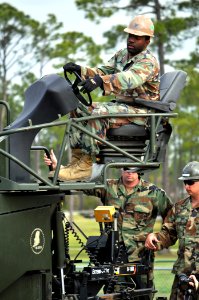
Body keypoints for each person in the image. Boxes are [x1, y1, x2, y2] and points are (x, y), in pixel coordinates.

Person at [44, 152, 172, 298]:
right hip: (113, 257)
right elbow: (81, 183)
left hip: (140, 256)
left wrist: (158, 237)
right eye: (125, 168)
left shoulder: (154, 193)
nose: (129, 173)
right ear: (120, 169)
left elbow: (171, 217)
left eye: (133, 169)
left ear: (140, 170)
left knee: (144, 295)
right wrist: (58, 168)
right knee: (114, 295)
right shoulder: (108, 187)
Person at [54, 14, 160, 182]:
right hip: (122, 108)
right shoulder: (122, 55)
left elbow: (129, 79)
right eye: (130, 35)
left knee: (99, 111)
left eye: (137, 37)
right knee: (77, 107)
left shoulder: (148, 62)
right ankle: (77, 161)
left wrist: (99, 82)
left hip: (141, 112)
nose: (131, 40)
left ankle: (86, 165)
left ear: (147, 41)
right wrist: (81, 69)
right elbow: (103, 71)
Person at [145, 161, 199, 300]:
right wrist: (154, 238)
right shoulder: (180, 207)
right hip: (183, 274)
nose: (187, 186)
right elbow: (168, 234)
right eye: (185, 182)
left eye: (191, 182)